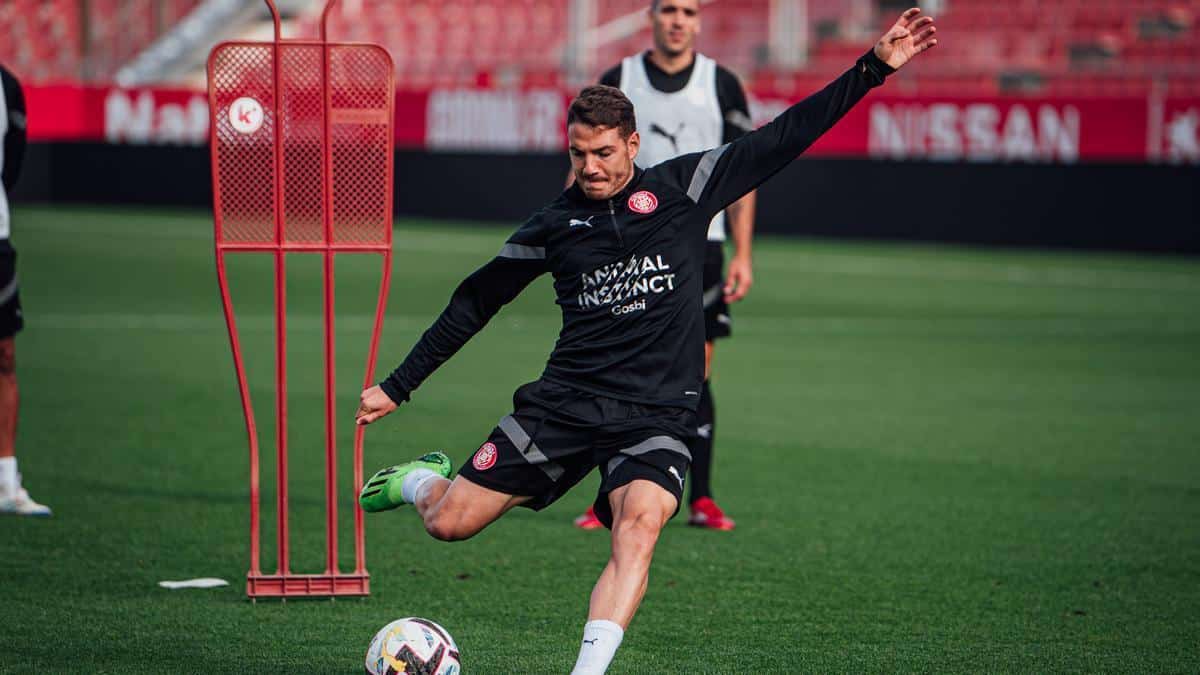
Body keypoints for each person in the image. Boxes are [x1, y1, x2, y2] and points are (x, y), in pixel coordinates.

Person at [355, 10, 936, 674]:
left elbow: (783, 138)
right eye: (578, 154)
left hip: (655, 416)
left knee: (638, 528)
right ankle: (417, 478)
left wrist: (873, 68)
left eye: (604, 153)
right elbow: (475, 300)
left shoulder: (684, 189)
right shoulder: (554, 225)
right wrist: (399, 385)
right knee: (449, 522)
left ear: (633, 145)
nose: (591, 168)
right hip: (564, 404)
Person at [573, 0, 755, 532]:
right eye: (669, 8)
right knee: (612, 366)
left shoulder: (721, 85)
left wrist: (743, 251)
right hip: (623, 244)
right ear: (650, 15)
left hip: (700, 248)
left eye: (690, 11)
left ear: (699, 22)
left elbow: (743, 174)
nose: (679, 20)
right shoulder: (620, 78)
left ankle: (702, 497)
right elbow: (586, 164)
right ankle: (605, 498)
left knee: (694, 372)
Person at [0, 63, 49, 517]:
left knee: (6, 356)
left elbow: (12, 161)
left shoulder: (8, 85)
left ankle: (6, 481)